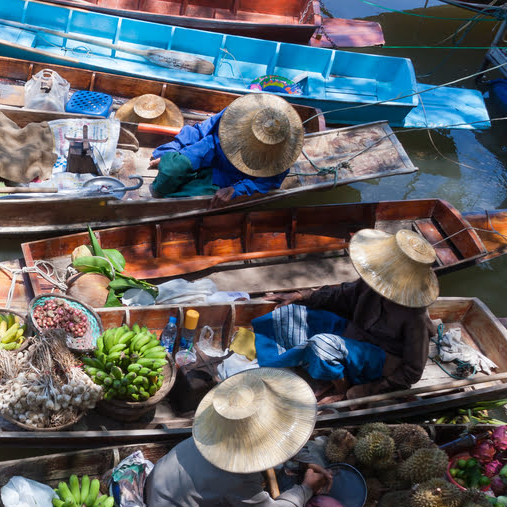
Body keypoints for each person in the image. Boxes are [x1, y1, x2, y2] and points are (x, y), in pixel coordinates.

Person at [145, 368, 332, 507]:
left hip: (162, 503)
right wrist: (306, 489)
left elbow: (279, 435)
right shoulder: (234, 475)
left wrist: (302, 459)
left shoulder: (211, 437)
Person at [256, 228, 439, 403]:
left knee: (322, 345)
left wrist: (361, 392)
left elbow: (412, 372)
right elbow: (340, 295)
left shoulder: (416, 316)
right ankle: (326, 372)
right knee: (288, 315)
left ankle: (340, 386)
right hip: (353, 334)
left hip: (377, 358)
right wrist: (301, 295)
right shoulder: (373, 283)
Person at [148, 92, 303, 207]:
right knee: (171, 168)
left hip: (227, 178)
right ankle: (158, 190)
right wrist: (171, 149)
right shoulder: (239, 113)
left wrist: (236, 189)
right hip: (207, 150)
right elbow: (201, 130)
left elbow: (267, 183)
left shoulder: (280, 153)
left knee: (183, 199)